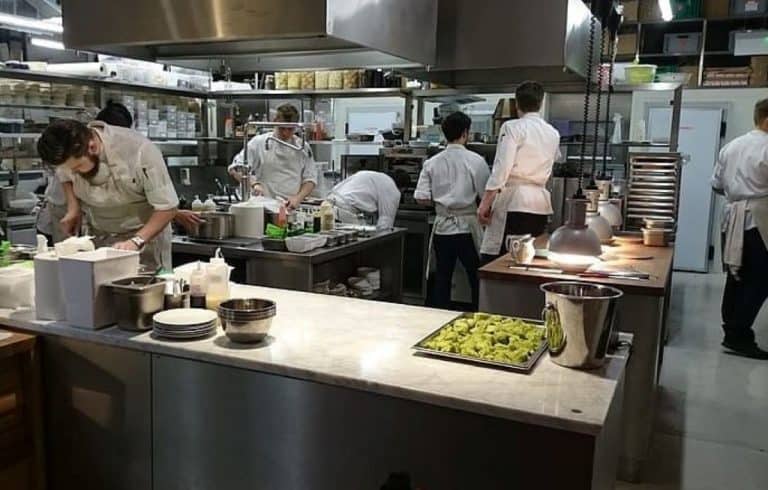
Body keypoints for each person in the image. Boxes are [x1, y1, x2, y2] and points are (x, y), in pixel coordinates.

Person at [37, 118, 179, 271]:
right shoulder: (68, 153)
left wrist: (136, 241)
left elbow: (167, 207)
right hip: (98, 235)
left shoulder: (139, 151)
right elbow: (64, 176)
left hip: (144, 237)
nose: (74, 173)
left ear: (92, 147)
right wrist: (73, 207)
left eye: (78, 168)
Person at [477, 81, 561, 263]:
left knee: (501, 261)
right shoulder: (553, 132)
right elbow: (554, 159)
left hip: (515, 203)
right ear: (541, 102)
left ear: (517, 103)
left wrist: (485, 204)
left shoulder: (512, 127)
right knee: (530, 259)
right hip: (540, 204)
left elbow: (501, 169)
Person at [415, 111, 489, 310]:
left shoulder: (432, 162)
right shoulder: (476, 160)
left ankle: (439, 318)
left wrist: (440, 204)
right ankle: (478, 315)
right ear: (465, 133)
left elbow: (420, 197)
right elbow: (486, 195)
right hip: (467, 227)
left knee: (442, 276)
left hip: (442, 228)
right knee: (475, 275)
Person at [712, 98, 768, 360]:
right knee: (760, 279)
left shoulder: (732, 145)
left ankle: (731, 328)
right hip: (758, 220)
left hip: (732, 218)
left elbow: (716, 184)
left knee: (736, 276)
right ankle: (738, 332)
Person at [228, 104, 317, 209]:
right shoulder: (259, 142)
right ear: (274, 121)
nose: (285, 133)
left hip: (290, 207)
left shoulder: (302, 147)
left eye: (290, 129)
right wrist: (254, 184)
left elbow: (310, 179)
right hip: (262, 207)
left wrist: (297, 198)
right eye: (282, 128)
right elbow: (235, 168)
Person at [326, 170, 401, 230]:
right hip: (345, 209)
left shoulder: (373, 176)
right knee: (359, 243)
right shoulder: (392, 189)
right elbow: (386, 221)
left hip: (328, 205)